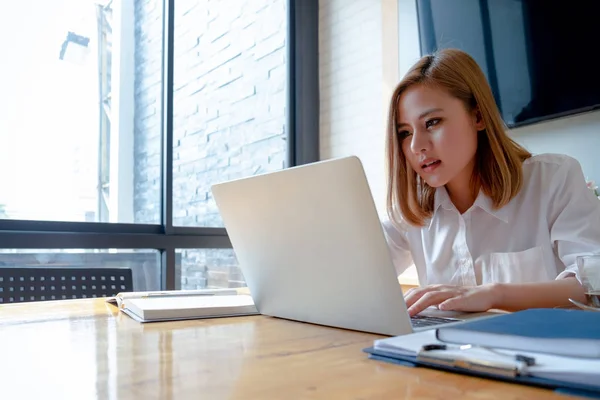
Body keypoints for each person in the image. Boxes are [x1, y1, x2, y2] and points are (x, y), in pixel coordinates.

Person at [382, 48, 600, 317]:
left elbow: (593, 286)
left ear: (478, 116)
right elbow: (356, 274)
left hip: (539, 351)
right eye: (405, 133)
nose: (417, 146)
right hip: (446, 353)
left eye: (432, 122)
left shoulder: (553, 179)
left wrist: (495, 294)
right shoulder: (412, 208)